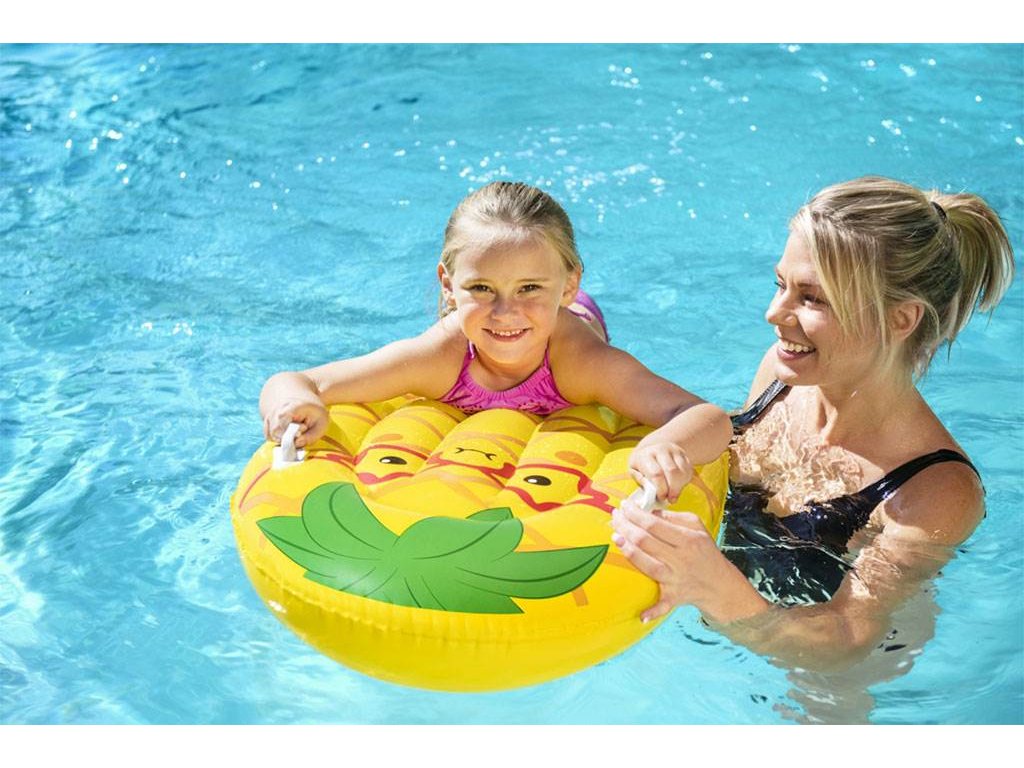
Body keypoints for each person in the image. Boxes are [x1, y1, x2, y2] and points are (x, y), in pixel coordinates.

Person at [612, 176, 1015, 673]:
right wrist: (666, 446)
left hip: (842, 673)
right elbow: (722, 431)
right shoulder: (784, 377)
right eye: (780, 285)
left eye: (813, 299)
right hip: (734, 613)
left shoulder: (934, 492)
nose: (773, 313)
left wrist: (712, 585)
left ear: (900, 319)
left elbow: (846, 642)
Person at [260, 181, 732, 494]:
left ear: (568, 284)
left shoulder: (582, 362)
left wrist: (666, 446)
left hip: (569, 323)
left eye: (529, 287)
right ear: (449, 285)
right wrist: (294, 406)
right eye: (481, 288)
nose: (505, 312)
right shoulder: (438, 356)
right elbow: (297, 381)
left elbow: (707, 416)